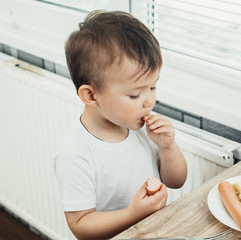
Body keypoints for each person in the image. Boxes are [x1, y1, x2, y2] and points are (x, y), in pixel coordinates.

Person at [53, 10, 187, 239]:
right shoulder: (75, 154)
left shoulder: (140, 129)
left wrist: (167, 147)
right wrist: (132, 214)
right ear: (91, 96)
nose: (149, 102)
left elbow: (176, 181)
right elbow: (80, 226)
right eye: (135, 95)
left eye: (153, 87)